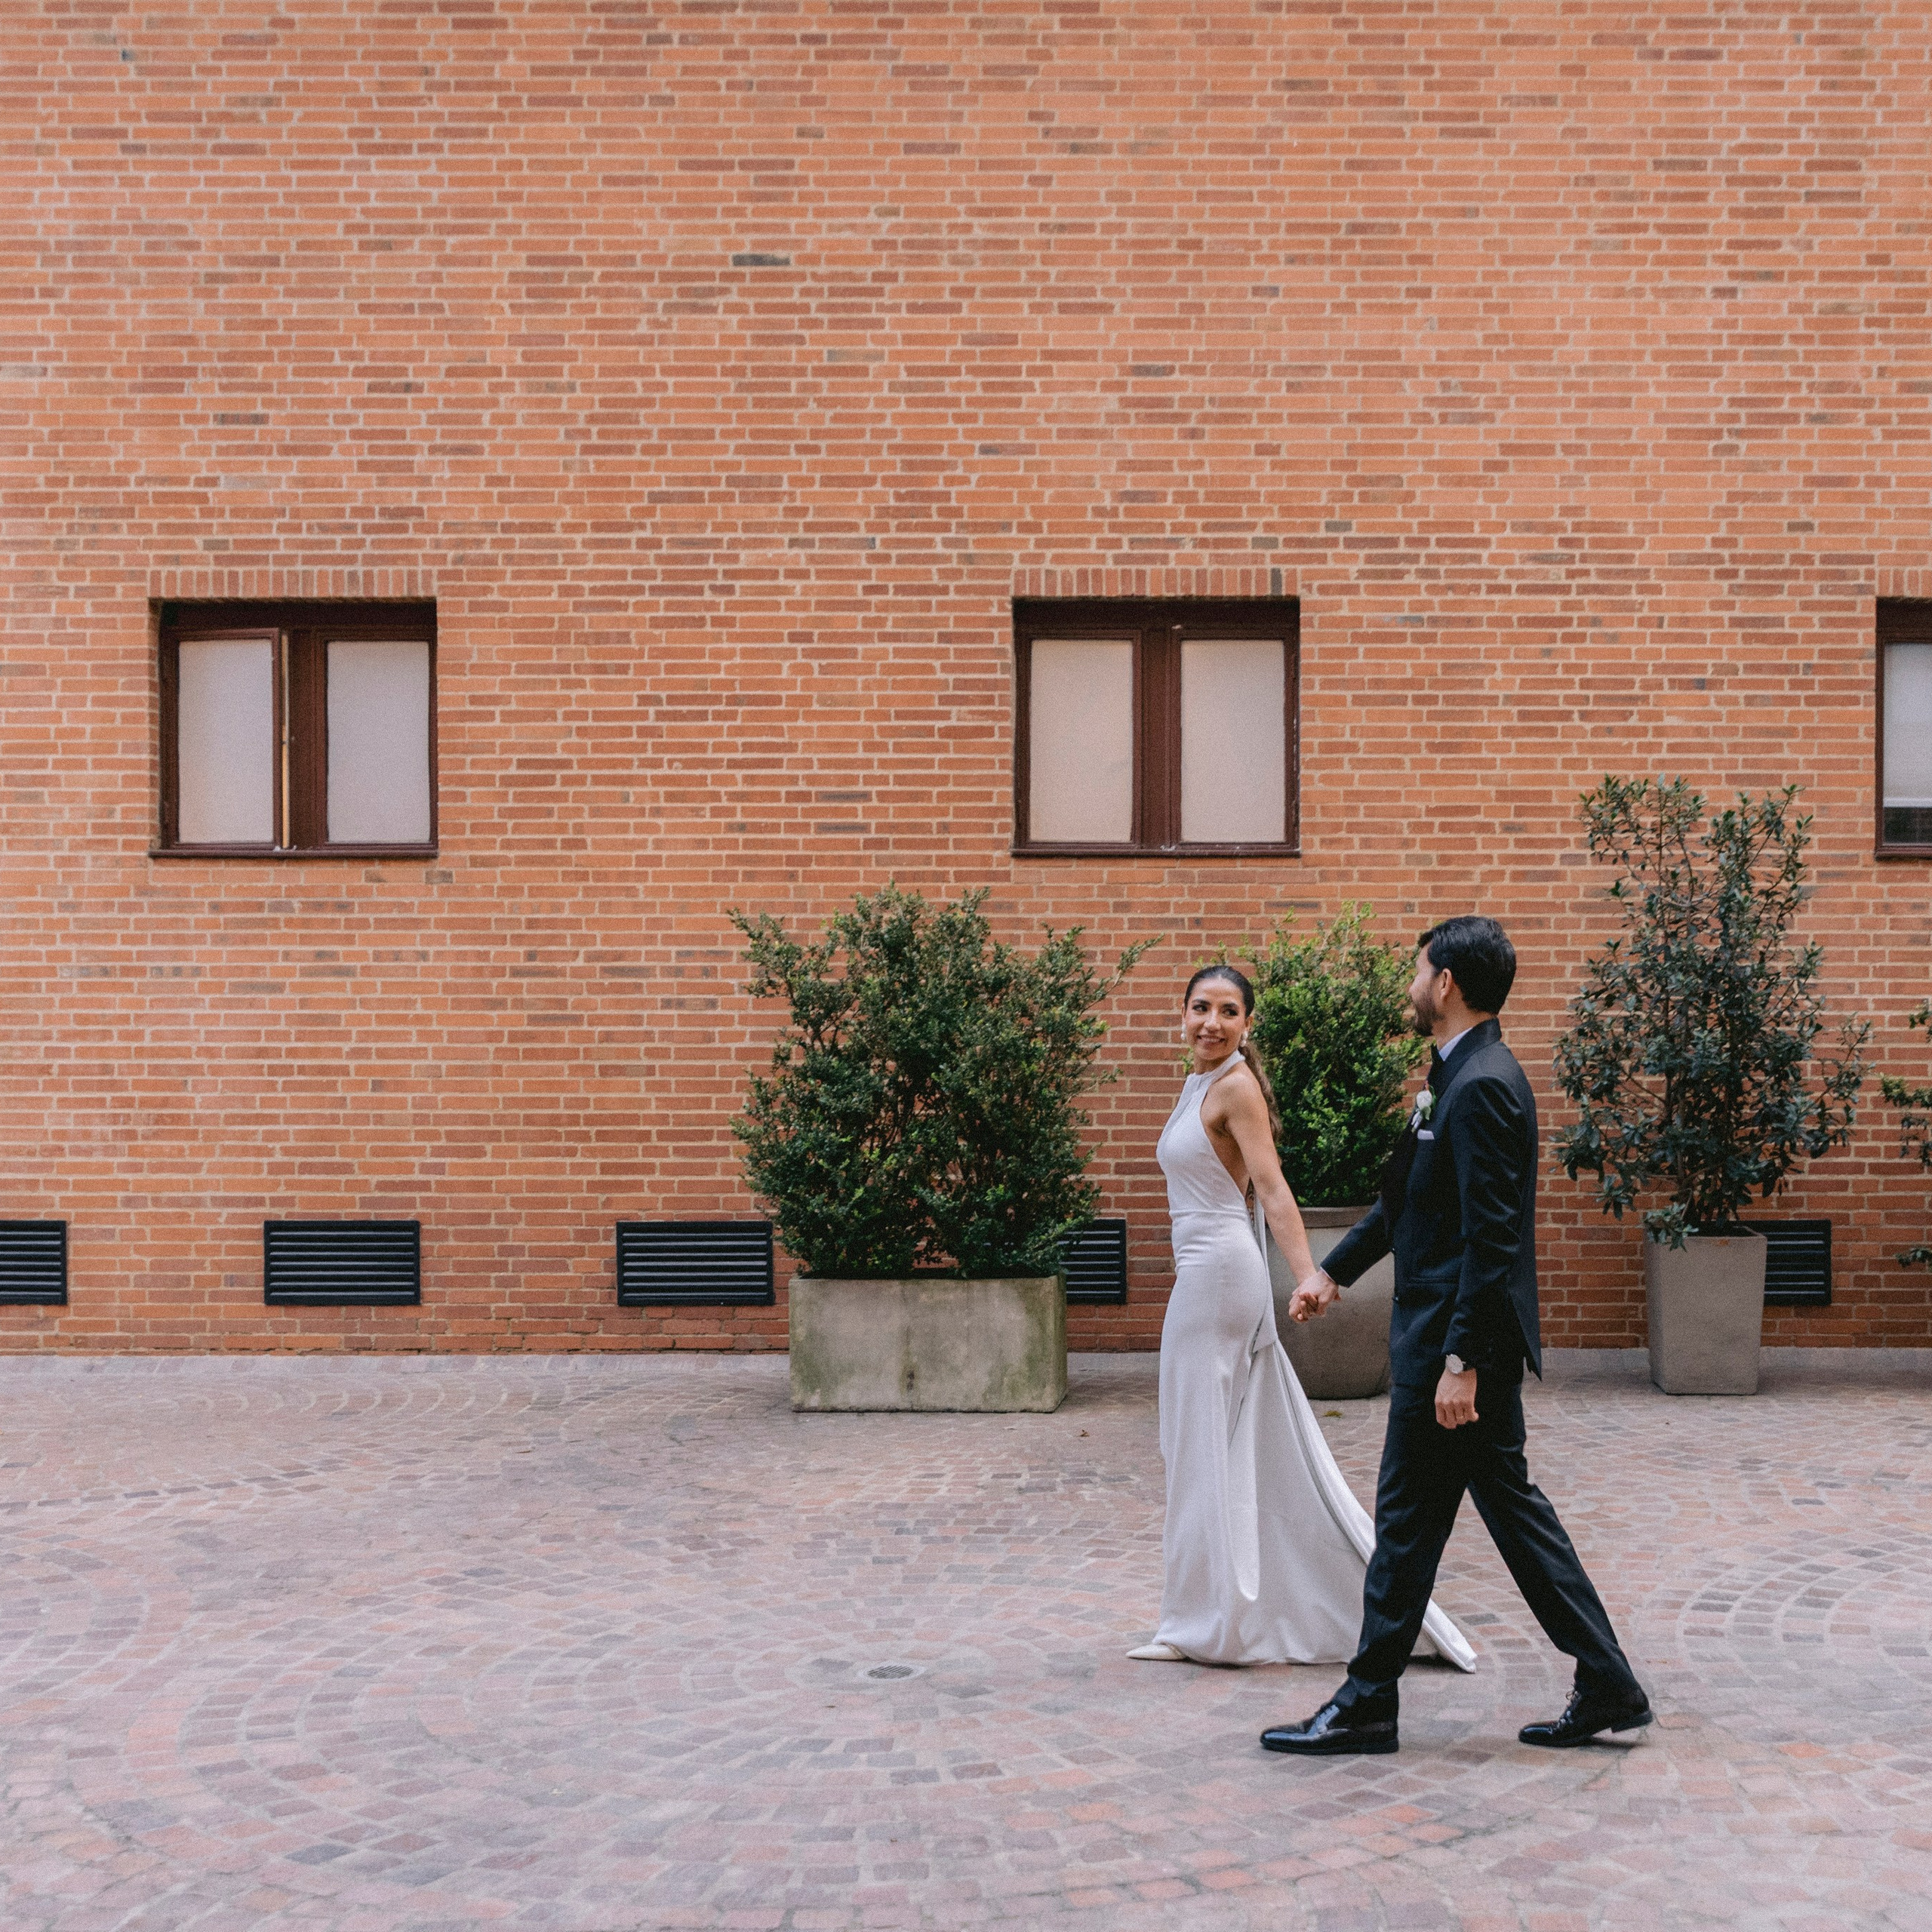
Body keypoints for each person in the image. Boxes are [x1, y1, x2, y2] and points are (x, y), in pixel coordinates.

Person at [1262, 917, 1651, 1755]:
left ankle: (1369, 1701)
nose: (1409, 983)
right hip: (1444, 1347)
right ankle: (1607, 1680)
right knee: (1489, 1518)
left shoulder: (1482, 1086)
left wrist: (1462, 1362)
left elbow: (1492, 1239)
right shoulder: (1457, 1076)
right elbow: (1408, 1203)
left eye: (1416, 969)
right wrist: (1333, 1272)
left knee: (1412, 1523)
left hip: (1452, 1352)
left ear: (1445, 984)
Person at [1131, 964, 1475, 1671]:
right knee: (1200, 1447)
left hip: (1222, 1277)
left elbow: (1273, 1189)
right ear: (1182, 1014)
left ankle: (1205, 1625)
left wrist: (1310, 1277)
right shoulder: (1198, 1083)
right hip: (1202, 1275)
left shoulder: (1235, 1087)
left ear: (1247, 1026)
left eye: (1229, 1012)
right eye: (1200, 1008)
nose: (1212, 1023)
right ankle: (1203, 1612)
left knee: (1199, 1447)